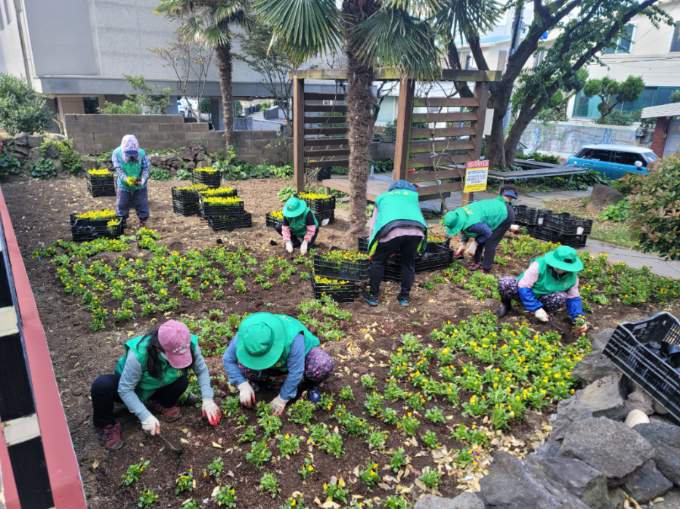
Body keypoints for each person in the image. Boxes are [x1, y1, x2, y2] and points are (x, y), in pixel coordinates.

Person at [90, 320, 221, 451]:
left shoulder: (188, 344)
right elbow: (125, 389)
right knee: (102, 386)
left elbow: (201, 370)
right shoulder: (138, 356)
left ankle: (160, 403)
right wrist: (144, 416)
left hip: (158, 387)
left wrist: (208, 399)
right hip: (133, 389)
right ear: (158, 349)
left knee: (182, 382)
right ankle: (107, 425)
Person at [223, 312, 335, 415]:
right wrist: (242, 384)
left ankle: (309, 386)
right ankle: (264, 383)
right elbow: (228, 359)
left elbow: (296, 371)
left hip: (300, 359)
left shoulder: (293, 338)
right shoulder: (247, 335)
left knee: (322, 364)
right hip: (274, 366)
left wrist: (282, 399)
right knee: (244, 367)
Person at [363, 180, 428, 307]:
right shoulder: (413, 197)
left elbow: (373, 226)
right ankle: (404, 298)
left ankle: (373, 296)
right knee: (408, 263)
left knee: (378, 262)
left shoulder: (382, 198)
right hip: (416, 231)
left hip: (391, 230)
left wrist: (371, 250)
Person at [496, 245, 588, 332]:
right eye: (559, 266)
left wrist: (579, 318)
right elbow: (524, 286)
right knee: (505, 283)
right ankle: (507, 305)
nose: (562, 269)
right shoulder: (538, 265)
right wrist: (536, 308)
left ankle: (544, 314)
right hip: (524, 292)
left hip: (544, 298)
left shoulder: (573, 278)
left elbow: (573, 298)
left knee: (561, 297)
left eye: (565, 268)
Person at [443, 186, 519, 273]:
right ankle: (477, 262)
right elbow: (464, 228)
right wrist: (463, 244)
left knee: (490, 242)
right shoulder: (461, 213)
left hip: (505, 215)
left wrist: (475, 243)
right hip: (492, 210)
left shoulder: (473, 224)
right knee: (481, 236)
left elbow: (488, 233)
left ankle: (486, 269)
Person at [112, 134, 151, 227]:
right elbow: (119, 170)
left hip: (139, 183)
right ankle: (122, 221)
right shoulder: (117, 153)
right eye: (129, 153)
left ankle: (143, 220)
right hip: (123, 184)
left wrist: (143, 179)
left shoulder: (141, 153)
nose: (131, 155)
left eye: (133, 153)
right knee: (122, 203)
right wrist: (126, 179)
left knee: (142, 202)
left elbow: (146, 168)